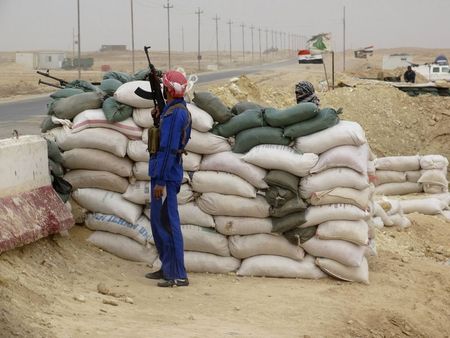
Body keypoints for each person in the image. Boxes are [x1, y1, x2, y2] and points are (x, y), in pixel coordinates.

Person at [145, 70, 192, 287]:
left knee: (167, 223)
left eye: (165, 87)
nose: (163, 90)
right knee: (158, 223)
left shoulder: (176, 114)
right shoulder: (171, 110)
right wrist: (157, 116)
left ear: (169, 89)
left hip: (165, 176)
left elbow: (168, 149)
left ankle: (177, 274)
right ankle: (167, 268)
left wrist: (161, 182)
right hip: (162, 172)